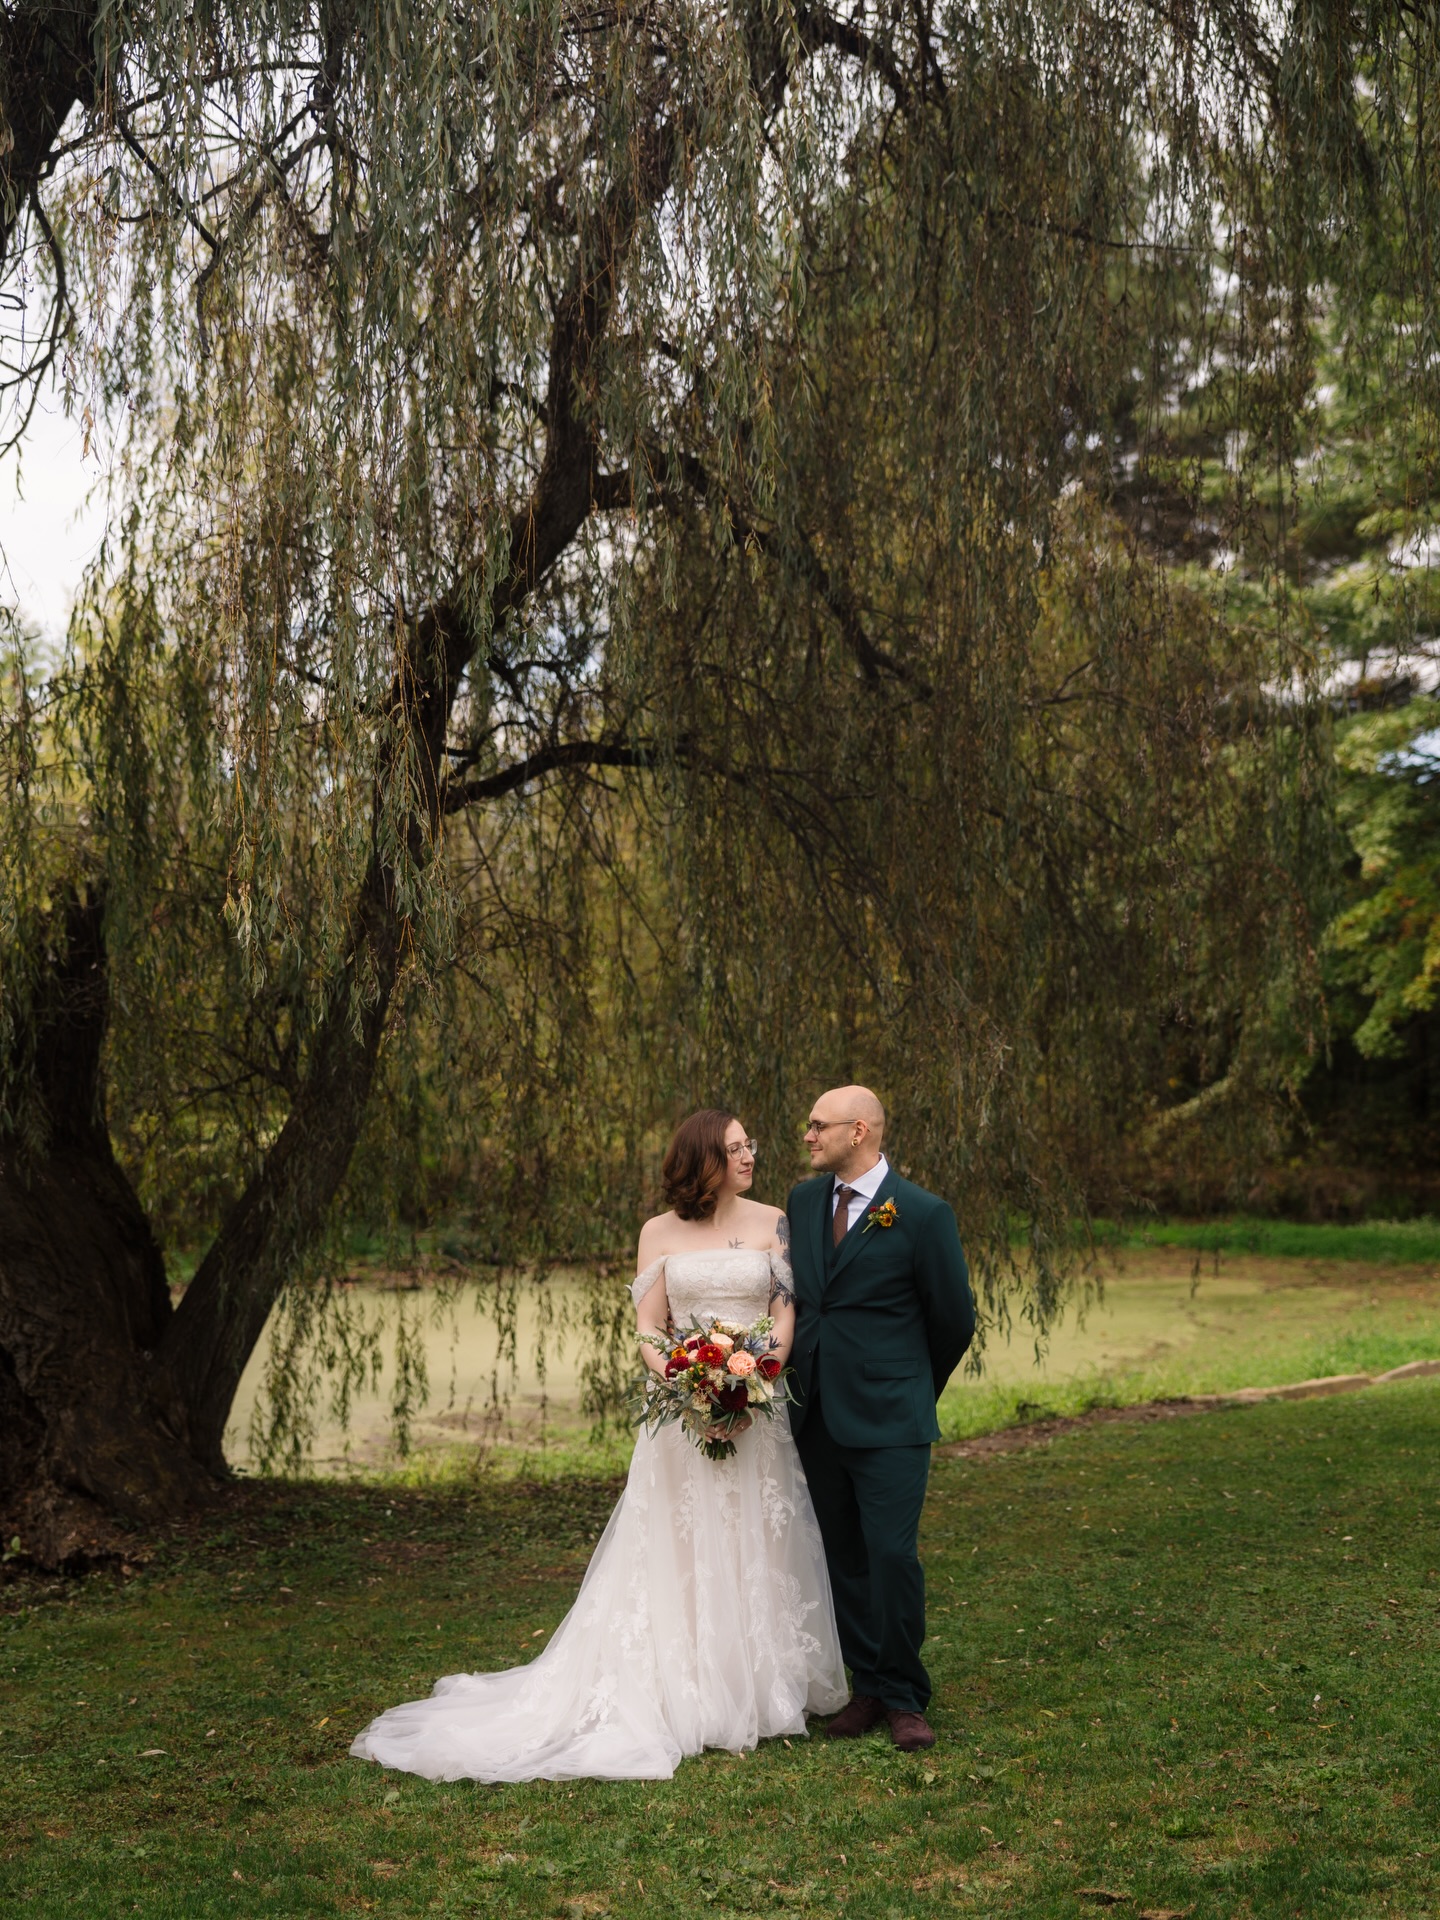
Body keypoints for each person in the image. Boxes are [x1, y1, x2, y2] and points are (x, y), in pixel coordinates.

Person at [349, 1108, 846, 1782]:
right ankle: (685, 1682)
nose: (749, 1155)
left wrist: (758, 1379)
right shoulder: (658, 1232)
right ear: (703, 1159)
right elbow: (648, 1327)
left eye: (749, 1145)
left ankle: (759, 1683)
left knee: (758, 1535)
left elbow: (786, 1311)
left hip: (758, 1412)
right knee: (679, 1541)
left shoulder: (773, 1223)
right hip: (682, 1416)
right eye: (734, 1148)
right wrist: (690, 1387)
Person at [787, 1085, 975, 1752]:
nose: (807, 1136)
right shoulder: (804, 1203)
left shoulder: (922, 1214)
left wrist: (912, 1386)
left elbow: (954, 1318)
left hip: (893, 1418)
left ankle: (904, 1696)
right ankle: (867, 1684)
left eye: (819, 1125)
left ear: (858, 1131)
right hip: (814, 1414)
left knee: (893, 1556)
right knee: (844, 1558)